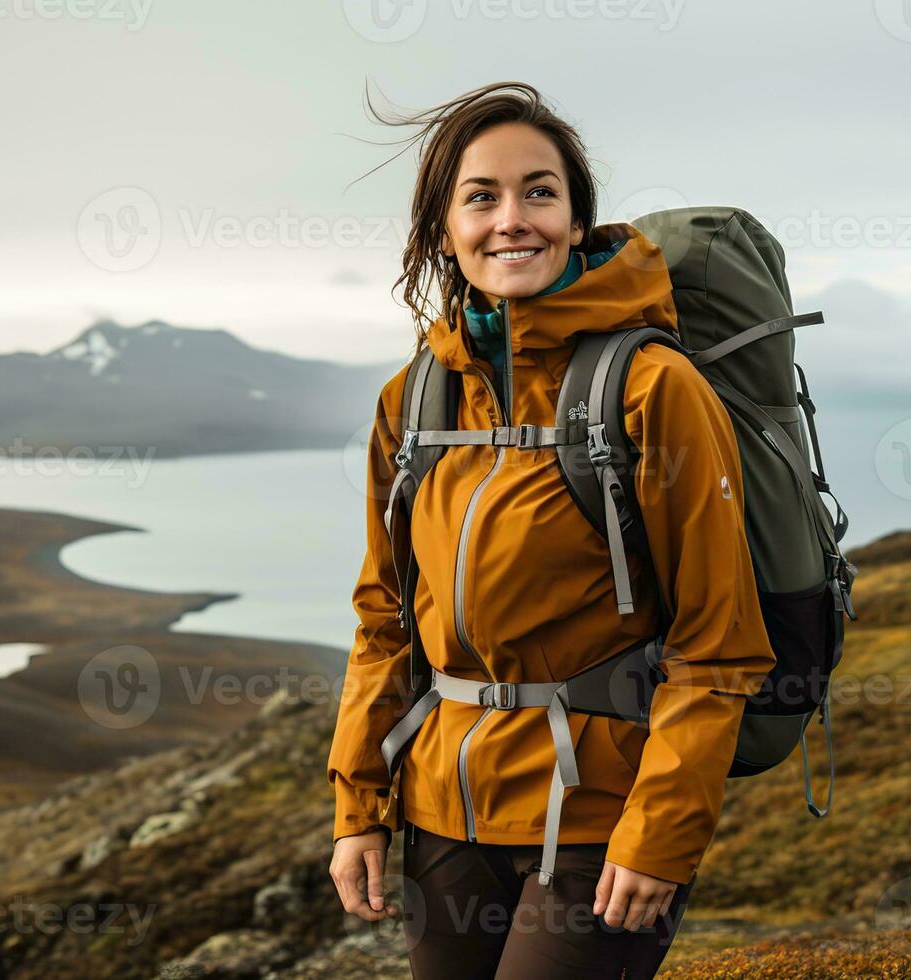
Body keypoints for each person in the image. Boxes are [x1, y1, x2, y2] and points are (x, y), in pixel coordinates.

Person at [326, 81, 776, 979]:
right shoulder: (414, 398)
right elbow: (385, 622)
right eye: (481, 197)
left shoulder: (651, 388)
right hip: (441, 809)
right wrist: (358, 808)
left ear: (577, 222)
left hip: (601, 813)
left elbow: (717, 644)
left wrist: (659, 836)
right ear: (443, 230)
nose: (511, 220)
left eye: (540, 192)